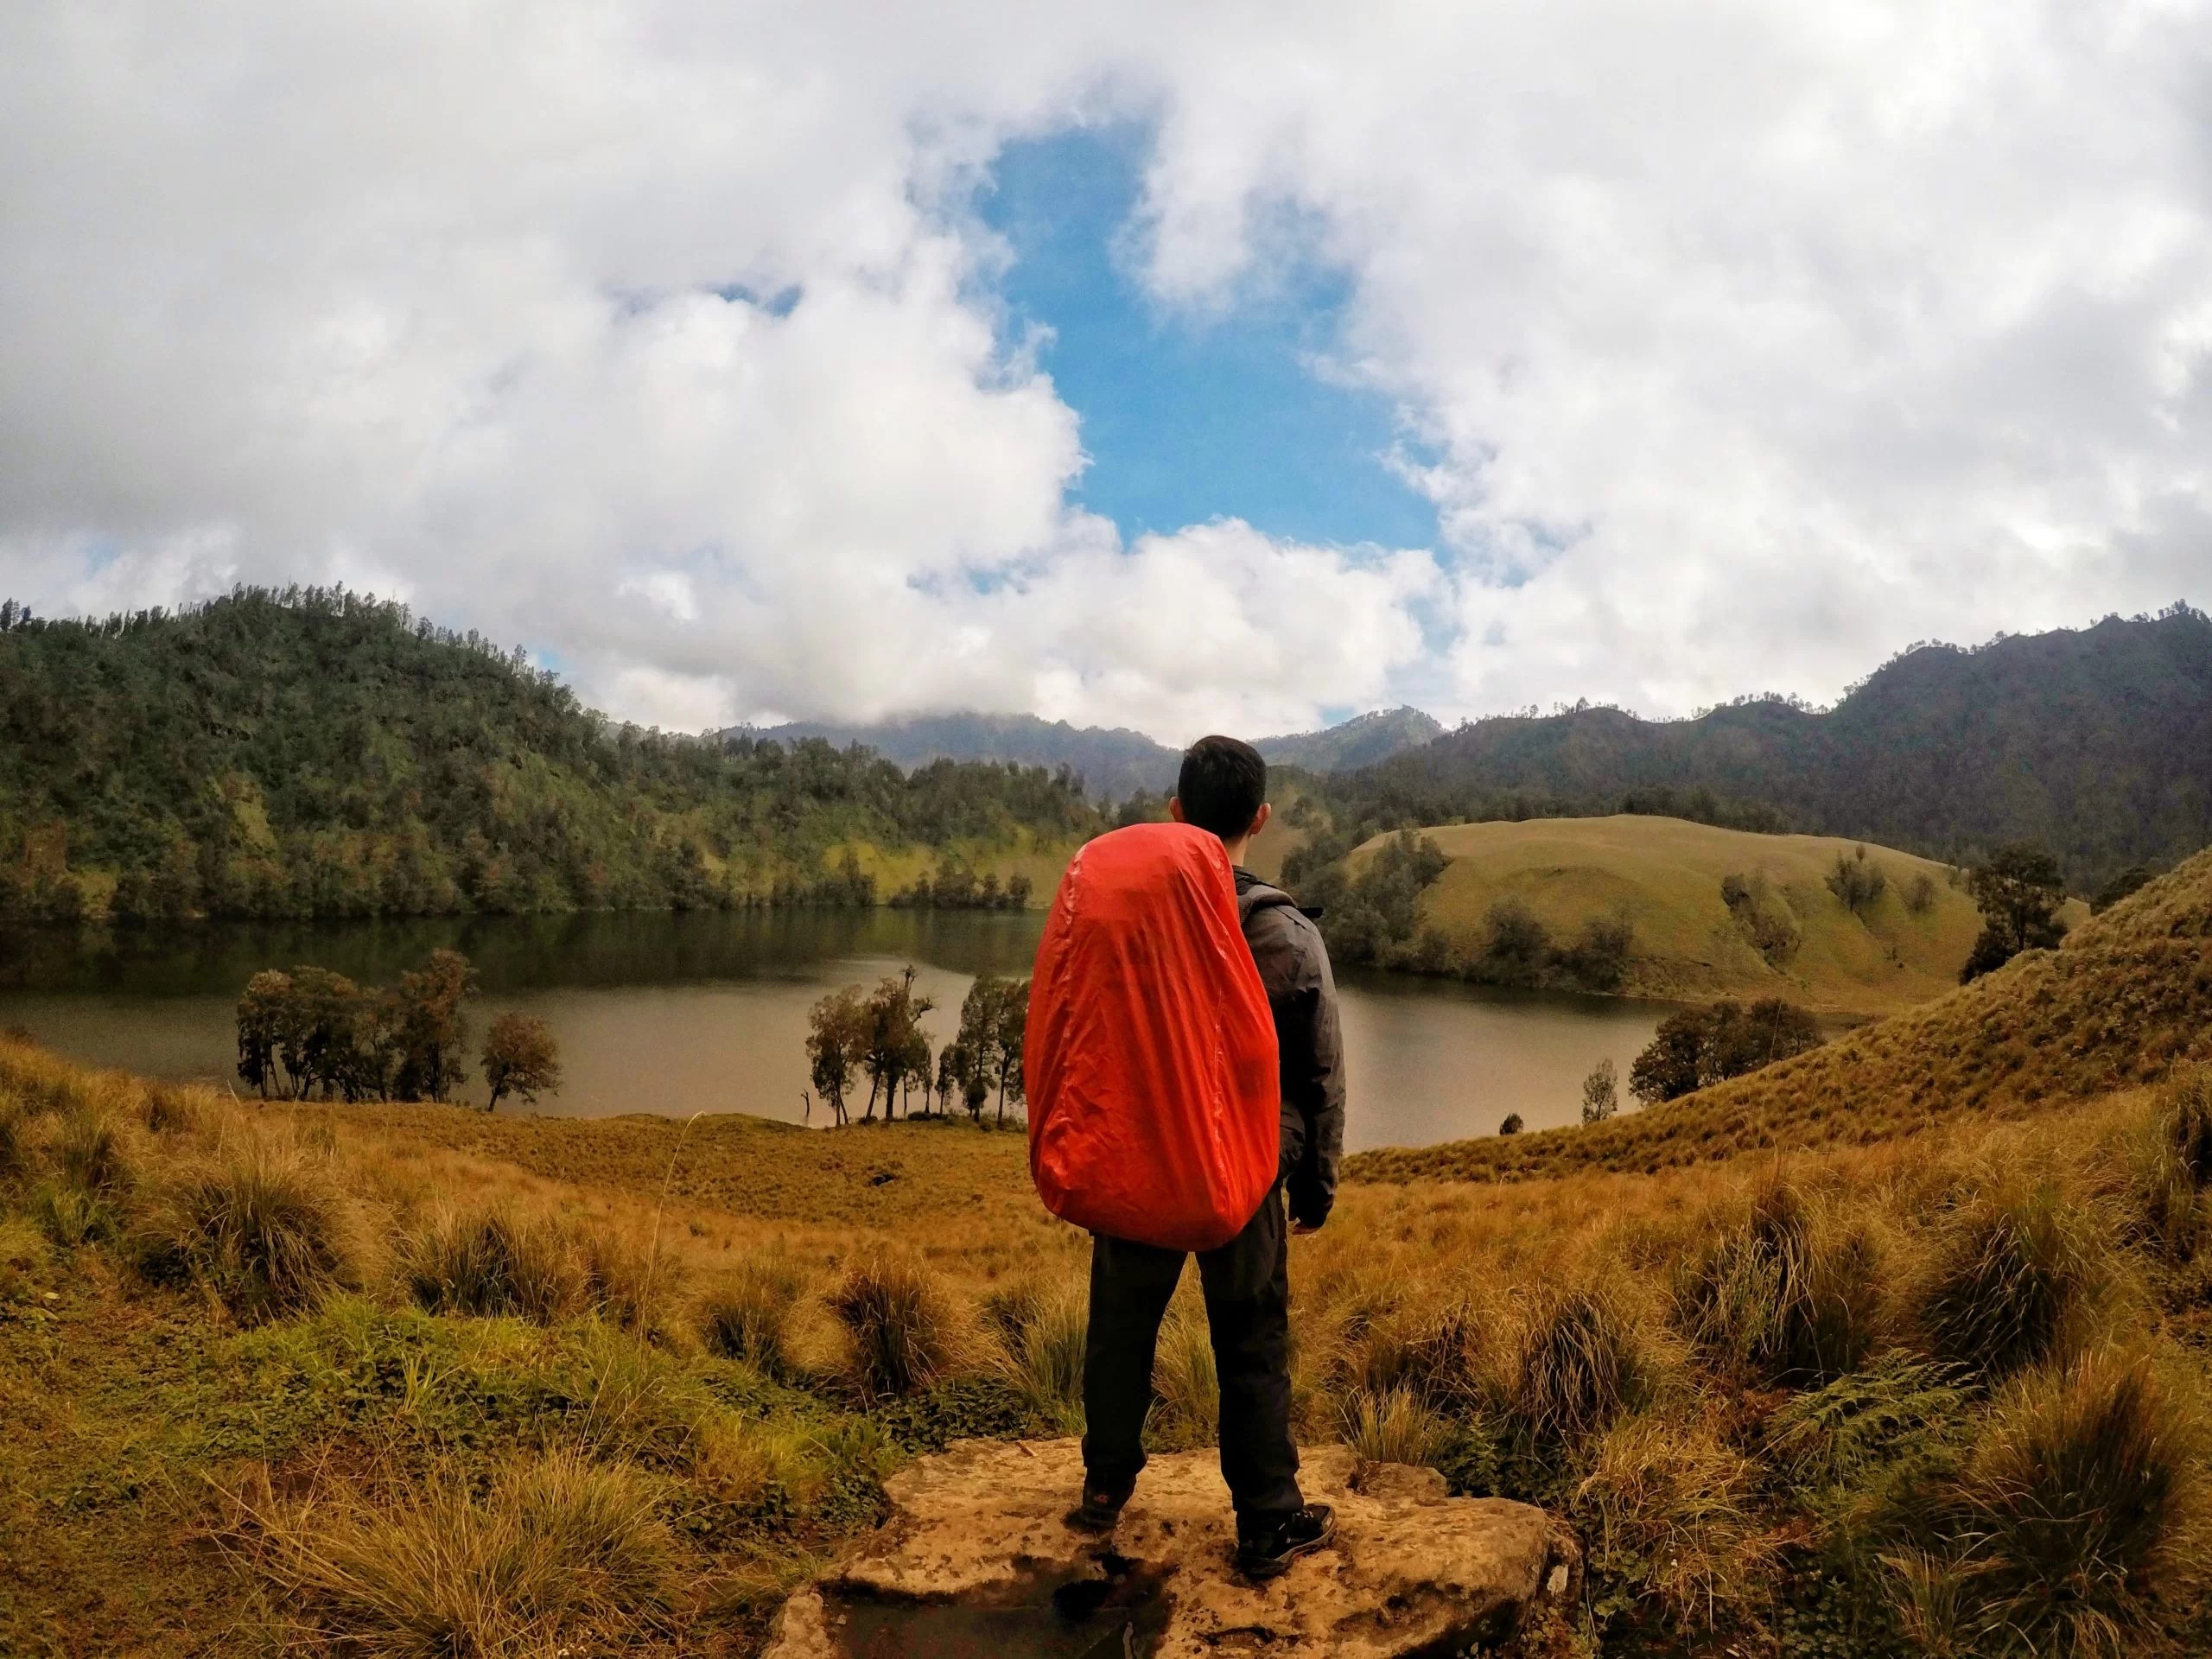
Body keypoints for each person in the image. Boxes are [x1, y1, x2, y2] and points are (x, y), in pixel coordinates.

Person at [1071, 734, 1347, 1581]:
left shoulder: (1135, 917)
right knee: (1252, 1339)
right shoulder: (1286, 934)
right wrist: (1316, 1182)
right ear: (1259, 819)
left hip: (1144, 1159)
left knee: (1119, 1329)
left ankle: (1102, 1489)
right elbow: (1320, 1071)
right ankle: (1267, 1522)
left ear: (1176, 813)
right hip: (1244, 1170)